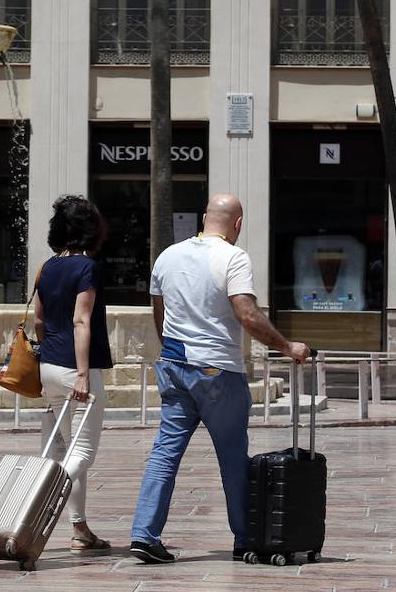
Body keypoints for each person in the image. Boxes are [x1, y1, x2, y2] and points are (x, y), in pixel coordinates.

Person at [129, 193, 311, 564]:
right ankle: (245, 539)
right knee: (232, 457)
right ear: (238, 223)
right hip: (216, 372)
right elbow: (247, 315)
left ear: (203, 218)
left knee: (165, 453)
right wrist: (286, 346)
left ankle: (144, 534)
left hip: (174, 366)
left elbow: (159, 314)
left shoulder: (167, 256)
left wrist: (174, 352)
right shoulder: (233, 257)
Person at [32, 195, 114, 554]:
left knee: (65, 449)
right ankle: (36, 498)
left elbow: (39, 320)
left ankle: (79, 529)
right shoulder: (87, 267)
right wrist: (82, 374)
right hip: (75, 369)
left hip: (48, 366)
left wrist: (48, 354)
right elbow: (81, 320)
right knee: (82, 453)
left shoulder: (47, 267)